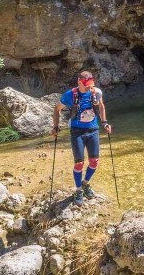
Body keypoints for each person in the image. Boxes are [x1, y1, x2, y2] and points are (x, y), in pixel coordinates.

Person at [51, 71, 112, 206]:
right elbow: (57, 110)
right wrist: (55, 127)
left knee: (94, 161)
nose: (88, 88)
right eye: (85, 85)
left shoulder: (96, 92)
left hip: (93, 130)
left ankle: (85, 183)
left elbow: (101, 106)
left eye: (90, 85)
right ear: (79, 81)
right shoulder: (70, 95)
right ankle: (78, 190)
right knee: (79, 163)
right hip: (77, 131)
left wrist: (105, 122)